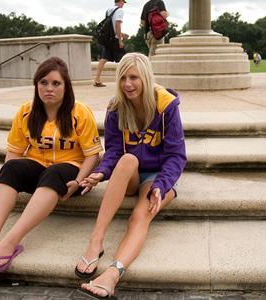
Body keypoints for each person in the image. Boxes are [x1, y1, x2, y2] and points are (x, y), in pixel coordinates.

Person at [0, 57, 103, 275]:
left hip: (70, 170)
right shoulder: (26, 112)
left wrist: (79, 181)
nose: (49, 88)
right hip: (39, 167)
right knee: (11, 168)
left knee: (54, 172)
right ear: (36, 85)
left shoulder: (79, 112)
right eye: (43, 82)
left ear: (66, 87)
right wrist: (8, 181)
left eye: (56, 83)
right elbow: (14, 153)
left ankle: (10, 241)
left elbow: (93, 156)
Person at [75, 52, 187, 298]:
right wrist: (101, 172)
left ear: (146, 78)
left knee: (140, 214)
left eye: (134, 77)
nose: (128, 84)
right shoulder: (116, 106)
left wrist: (162, 185)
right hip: (130, 172)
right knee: (127, 158)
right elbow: (114, 149)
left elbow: (176, 155)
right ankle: (96, 241)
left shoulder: (166, 106)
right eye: (123, 77)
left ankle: (113, 274)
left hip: (157, 175)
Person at [94, 0, 127, 87]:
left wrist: (122, 34)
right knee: (124, 59)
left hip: (108, 39)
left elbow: (110, 26)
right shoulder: (120, 10)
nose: (123, 4)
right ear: (120, 1)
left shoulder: (109, 10)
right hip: (115, 39)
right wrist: (120, 39)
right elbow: (117, 24)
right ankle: (123, 80)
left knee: (104, 58)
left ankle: (96, 79)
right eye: (123, 2)